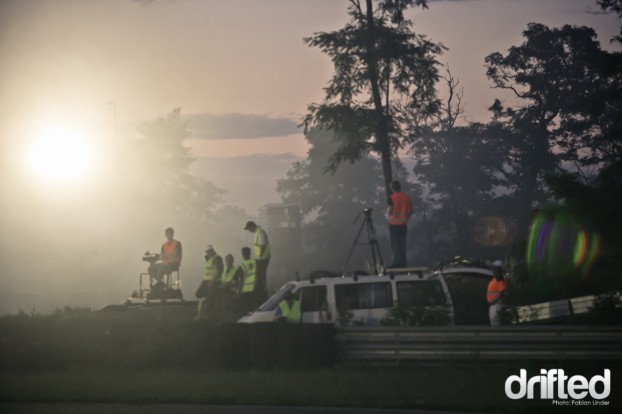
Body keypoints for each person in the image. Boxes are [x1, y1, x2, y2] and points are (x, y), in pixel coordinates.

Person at [387, 180, 413, 268]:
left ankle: (397, 263)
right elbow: (411, 210)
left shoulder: (392, 197)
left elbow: (390, 211)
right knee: (402, 245)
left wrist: (389, 216)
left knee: (395, 245)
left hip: (394, 224)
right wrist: (406, 219)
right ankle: (403, 264)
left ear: (392, 188)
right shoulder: (406, 197)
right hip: (403, 224)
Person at [244, 221, 271, 301]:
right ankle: (262, 291)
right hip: (261, 258)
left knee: (261, 276)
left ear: (252, 226)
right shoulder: (257, 232)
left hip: (263, 258)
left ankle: (263, 292)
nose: (249, 231)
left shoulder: (260, 233)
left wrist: (259, 256)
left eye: (249, 229)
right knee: (260, 275)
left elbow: (262, 246)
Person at [195, 244, 223, 320]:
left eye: (210, 251)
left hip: (214, 281)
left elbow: (219, 271)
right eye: (207, 251)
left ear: (212, 251)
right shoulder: (208, 259)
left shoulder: (217, 258)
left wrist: (211, 281)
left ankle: (206, 314)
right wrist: (202, 282)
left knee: (210, 297)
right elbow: (206, 273)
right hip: (206, 280)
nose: (209, 253)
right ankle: (203, 310)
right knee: (198, 294)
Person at [487, 260, 508, 326]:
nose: (493, 269)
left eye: (494, 268)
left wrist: (493, 300)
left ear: (499, 269)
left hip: (497, 307)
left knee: (497, 329)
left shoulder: (499, 279)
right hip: (494, 307)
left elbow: (504, 293)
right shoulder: (496, 279)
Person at [239, 246, 258, 313]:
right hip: (255, 287)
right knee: (254, 306)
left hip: (246, 289)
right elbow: (258, 274)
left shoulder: (242, 265)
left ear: (243, 254)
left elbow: (241, 279)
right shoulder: (255, 262)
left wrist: (239, 290)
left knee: (248, 308)